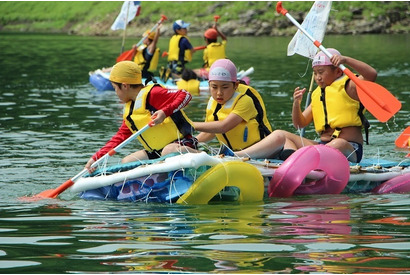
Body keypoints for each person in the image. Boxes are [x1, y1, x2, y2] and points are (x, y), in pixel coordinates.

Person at [232, 48, 375, 163]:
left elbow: (371, 75)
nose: (317, 77)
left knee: (338, 144)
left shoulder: (350, 87)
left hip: (350, 149)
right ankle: (237, 155)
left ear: (338, 71)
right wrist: (296, 104)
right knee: (281, 135)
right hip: (321, 147)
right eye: (315, 73)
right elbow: (299, 124)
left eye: (321, 72)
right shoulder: (318, 95)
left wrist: (346, 60)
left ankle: (298, 158)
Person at [85, 61, 197, 172]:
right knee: (127, 162)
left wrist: (164, 112)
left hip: (182, 144)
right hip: (157, 152)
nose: (115, 93)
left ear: (124, 86)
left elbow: (186, 95)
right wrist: (96, 158)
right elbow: (119, 138)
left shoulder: (154, 93)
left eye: (115, 88)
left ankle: (203, 156)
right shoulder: (131, 112)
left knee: (168, 151)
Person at [161, 58, 272, 156]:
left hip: (256, 153)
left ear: (236, 85)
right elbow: (211, 132)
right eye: (214, 87)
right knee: (170, 149)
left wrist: (188, 123)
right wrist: (192, 142)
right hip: (228, 154)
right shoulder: (213, 102)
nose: (219, 93)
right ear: (209, 84)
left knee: (279, 136)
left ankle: (229, 156)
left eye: (225, 87)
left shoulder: (246, 100)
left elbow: (223, 127)